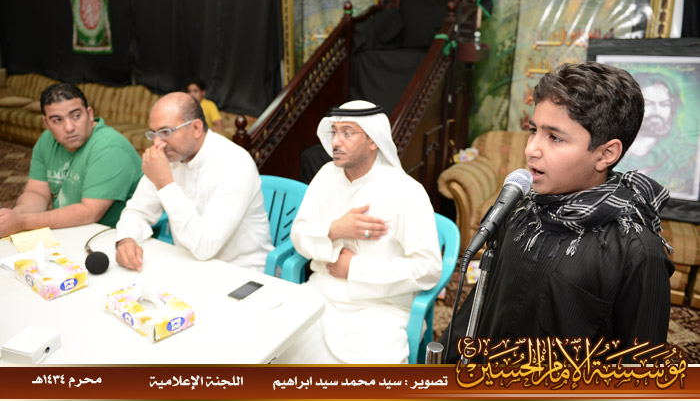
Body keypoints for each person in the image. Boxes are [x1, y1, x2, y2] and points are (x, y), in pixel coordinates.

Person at [440, 62, 675, 363]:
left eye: (555, 137)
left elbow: (642, 367)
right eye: (533, 131)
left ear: (606, 154)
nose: (531, 150)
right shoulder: (520, 212)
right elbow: (483, 306)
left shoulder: (636, 251)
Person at [275, 100, 442, 364]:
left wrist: (354, 269)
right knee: (271, 343)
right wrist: (335, 229)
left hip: (379, 307)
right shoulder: (325, 175)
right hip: (320, 292)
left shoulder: (406, 191)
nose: (336, 142)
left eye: (347, 133)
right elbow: (298, 235)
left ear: (373, 140)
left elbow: (428, 269)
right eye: (334, 132)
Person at [114, 92, 272, 272]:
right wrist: (127, 239)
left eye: (166, 132)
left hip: (241, 271)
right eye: (154, 134)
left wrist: (165, 184)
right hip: (187, 264)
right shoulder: (170, 156)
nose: (158, 143)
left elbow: (205, 246)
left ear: (196, 128)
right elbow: (137, 211)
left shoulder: (235, 163)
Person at [0, 83, 142, 236]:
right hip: (72, 230)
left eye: (76, 116)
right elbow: (37, 193)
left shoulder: (110, 148)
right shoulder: (47, 140)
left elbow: (90, 212)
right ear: (46, 123)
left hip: (116, 236)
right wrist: (13, 216)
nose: (69, 127)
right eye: (57, 120)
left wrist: (22, 222)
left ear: (90, 114)